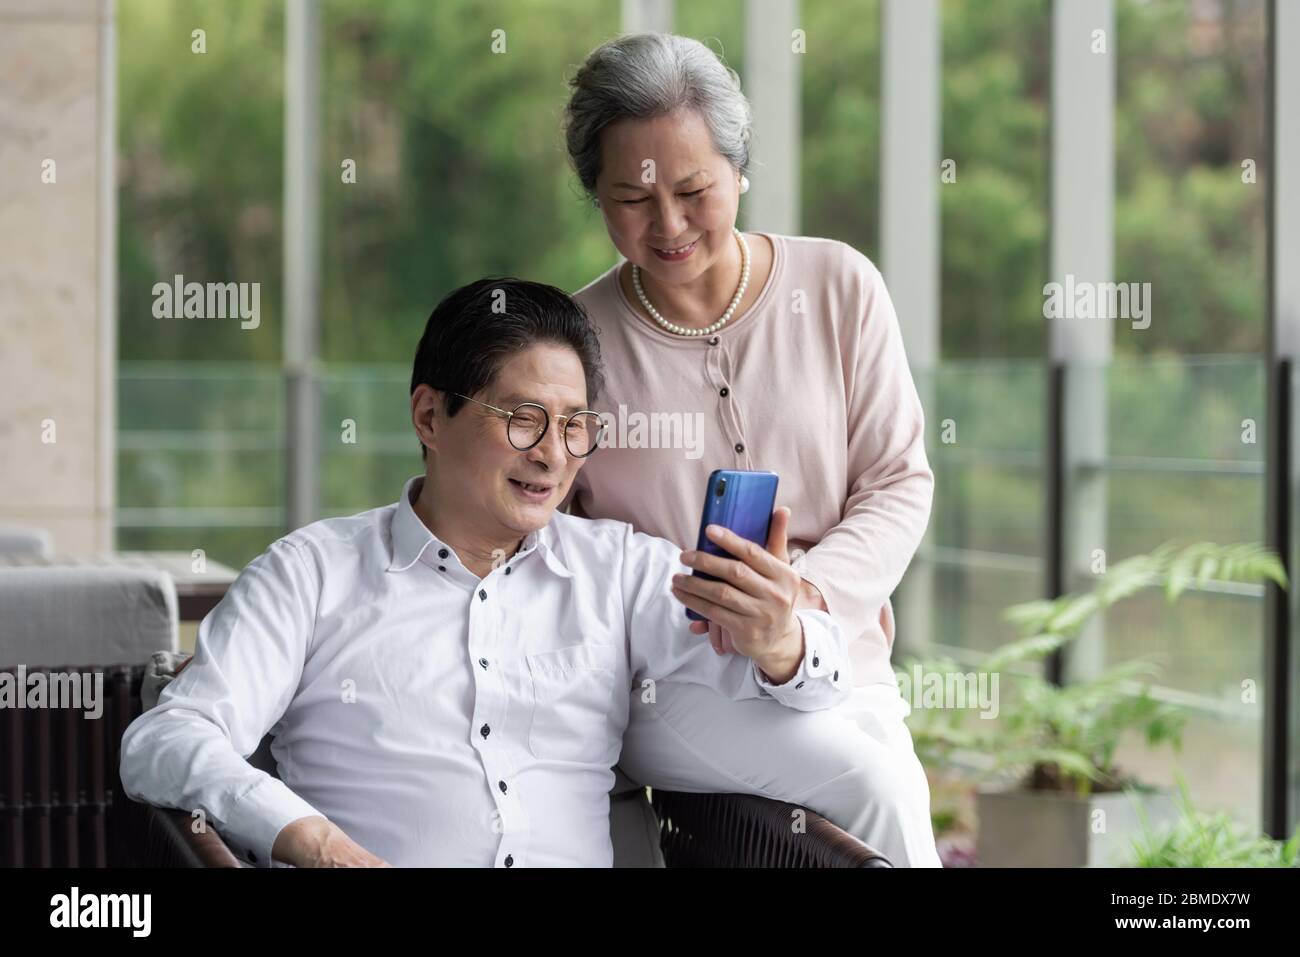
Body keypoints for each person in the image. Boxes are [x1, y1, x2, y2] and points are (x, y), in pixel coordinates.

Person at [118, 278, 850, 868]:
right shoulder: (312, 574)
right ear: (430, 417)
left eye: (575, 425)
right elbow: (166, 740)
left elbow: (817, 677)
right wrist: (313, 841)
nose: (554, 455)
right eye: (522, 418)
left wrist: (780, 640)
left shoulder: (618, 571)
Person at [562, 32, 942, 866]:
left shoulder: (841, 285)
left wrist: (799, 600)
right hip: (675, 683)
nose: (668, 225)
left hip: (840, 649)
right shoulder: (572, 342)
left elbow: (897, 484)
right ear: (596, 194)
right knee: (876, 790)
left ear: (739, 169)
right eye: (632, 197)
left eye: (695, 189)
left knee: (891, 786)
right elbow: (549, 533)